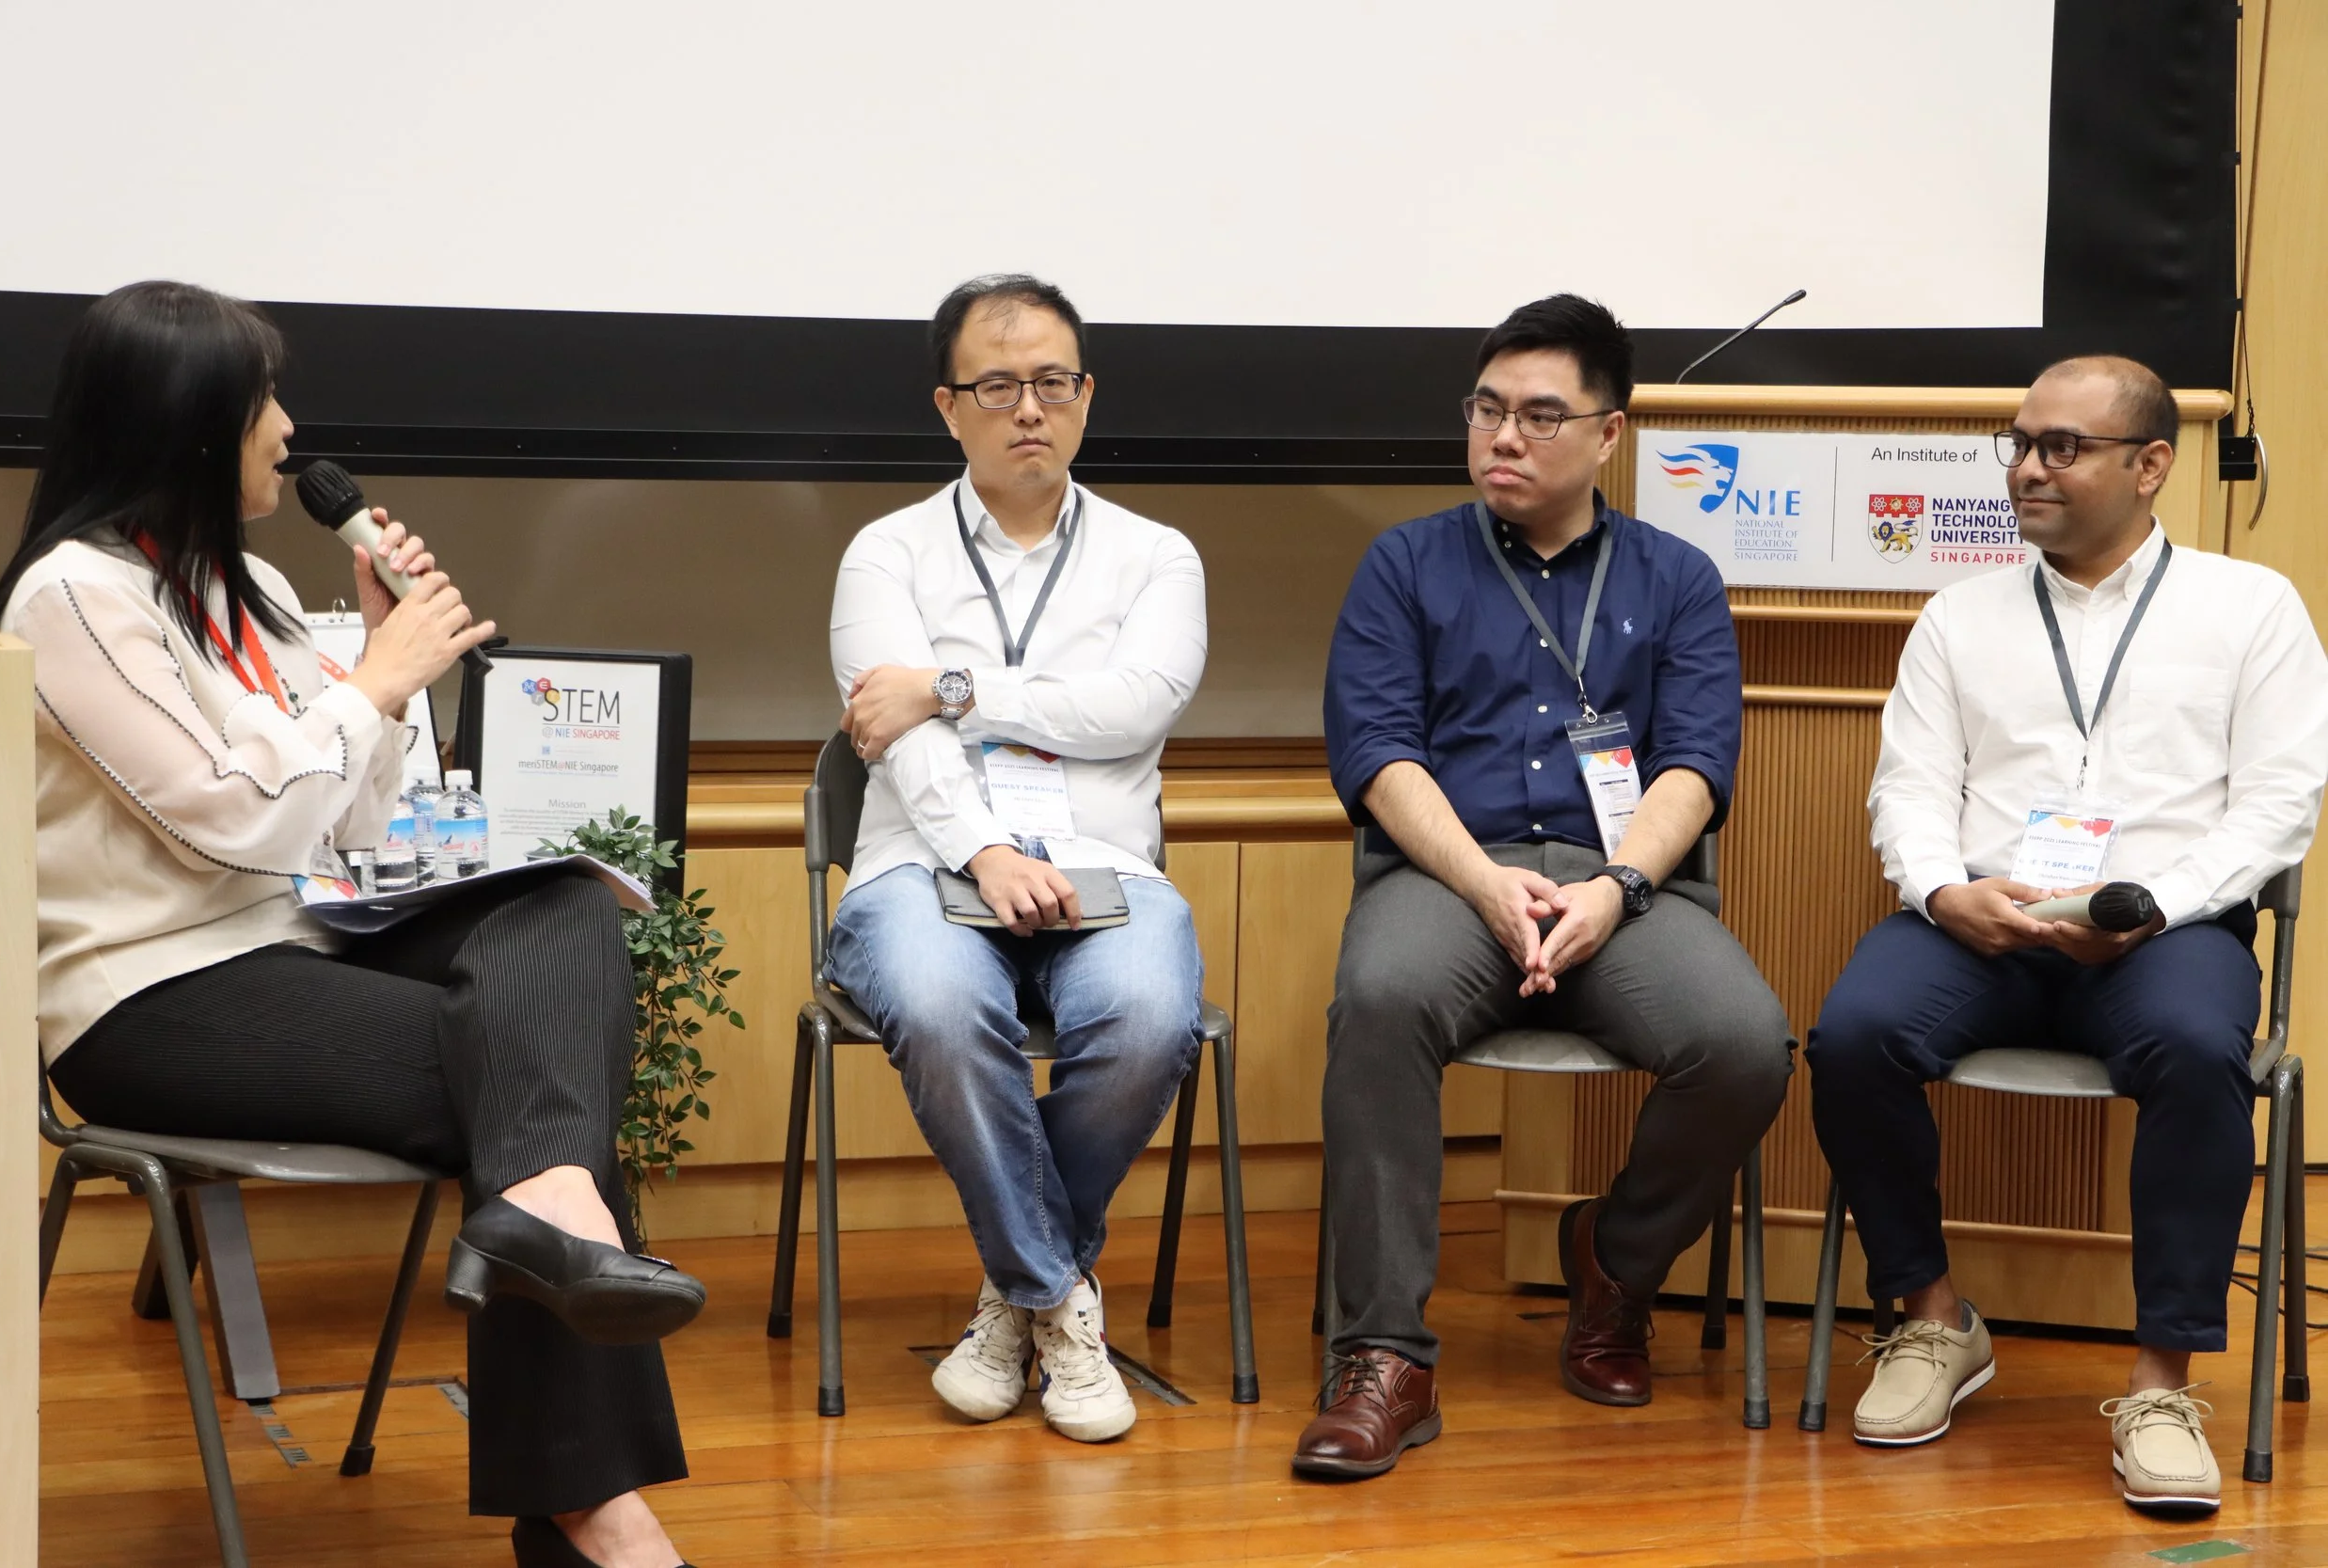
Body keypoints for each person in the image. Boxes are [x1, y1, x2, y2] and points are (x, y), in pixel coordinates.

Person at [0, 281, 702, 1568]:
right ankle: (597, 1505)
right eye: (263, 398)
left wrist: (383, 672)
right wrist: (370, 682)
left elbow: (343, 823)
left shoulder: (251, 583)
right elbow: (229, 813)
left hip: (298, 934)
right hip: (150, 992)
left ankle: (549, 1221)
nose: (288, 424)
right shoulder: (73, 597)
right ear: (193, 422)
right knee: (538, 1082)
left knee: (563, 900)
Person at [1809, 356, 2328, 1513]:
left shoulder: (2251, 609)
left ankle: (2159, 1383)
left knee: (2202, 1053)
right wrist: (1947, 895)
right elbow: (1907, 788)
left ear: (2150, 466)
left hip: (2167, 928)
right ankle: (1935, 1319)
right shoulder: (1959, 613)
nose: (2027, 466)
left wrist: (2145, 905)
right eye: (2020, 441)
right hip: (1978, 920)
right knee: (1851, 1034)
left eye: (2062, 446)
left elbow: (2278, 802)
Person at [1296, 294, 1793, 1480]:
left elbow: (1695, 763)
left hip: (1622, 889)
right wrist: (1481, 883)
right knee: (1379, 1001)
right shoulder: (1405, 560)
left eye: (1535, 415)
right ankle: (1384, 1358)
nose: (1501, 438)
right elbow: (1375, 754)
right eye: (1485, 410)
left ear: (1608, 434)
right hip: (1449, 874)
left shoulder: (1677, 576)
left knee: (1744, 1042)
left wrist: (1616, 886)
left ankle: (1614, 1266)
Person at [826, 274, 1209, 1442]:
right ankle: (1052, 1291)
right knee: (941, 1008)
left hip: (1107, 864)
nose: (1027, 407)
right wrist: (984, 846)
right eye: (998, 384)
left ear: (1085, 396)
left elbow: (1133, 707)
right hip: (923, 859)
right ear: (951, 405)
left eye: (1051, 381)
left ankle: (1009, 1293)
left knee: (1148, 1019)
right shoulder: (883, 553)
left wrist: (954, 685)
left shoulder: (1157, 556)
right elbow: (893, 741)